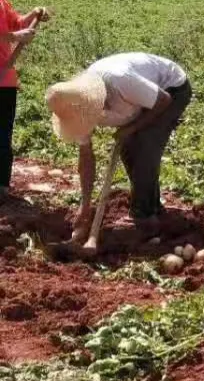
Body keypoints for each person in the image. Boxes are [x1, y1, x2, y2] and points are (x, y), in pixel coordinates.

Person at [45, 52, 191, 240]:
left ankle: (144, 217)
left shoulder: (121, 81)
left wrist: (132, 127)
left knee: (145, 146)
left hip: (171, 89)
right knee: (128, 150)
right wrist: (85, 205)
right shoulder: (74, 109)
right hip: (141, 99)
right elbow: (86, 159)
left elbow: (164, 100)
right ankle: (151, 205)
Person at [0, 0, 50, 203]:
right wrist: (15, 37)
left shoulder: (2, 0)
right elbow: (11, 32)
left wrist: (34, 14)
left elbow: (16, 23)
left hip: (5, 78)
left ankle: (2, 186)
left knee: (3, 134)